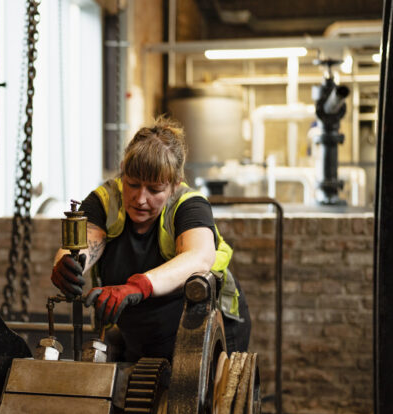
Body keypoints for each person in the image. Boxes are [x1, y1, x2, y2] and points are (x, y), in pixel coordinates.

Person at [51, 117, 250, 362]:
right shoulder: (105, 200)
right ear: (123, 170)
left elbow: (199, 257)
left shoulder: (190, 206)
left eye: (154, 190)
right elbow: (85, 243)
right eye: (132, 184)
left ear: (175, 185)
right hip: (143, 328)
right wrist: (67, 265)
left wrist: (138, 286)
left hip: (208, 325)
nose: (140, 199)